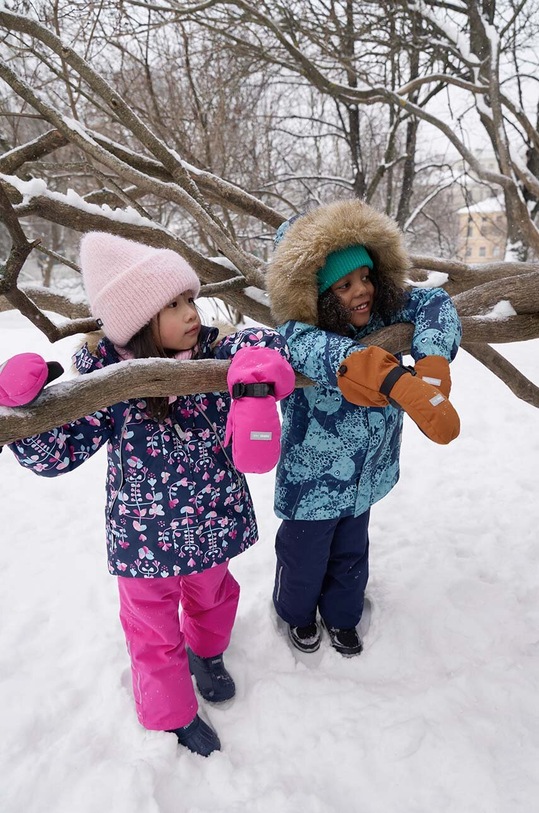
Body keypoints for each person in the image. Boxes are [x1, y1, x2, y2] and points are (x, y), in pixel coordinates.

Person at [1, 232, 294, 756]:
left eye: (189, 300)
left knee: (215, 598)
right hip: (144, 539)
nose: (190, 313)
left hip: (211, 519)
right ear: (136, 325)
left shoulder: (214, 355)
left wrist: (257, 374)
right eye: (172, 305)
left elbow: (263, 346)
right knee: (151, 632)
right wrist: (20, 416)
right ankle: (171, 716)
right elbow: (59, 451)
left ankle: (207, 654)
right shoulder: (112, 384)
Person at [265, 199, 462, 658]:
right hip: (312, 485)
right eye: (345, 284)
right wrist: (394, 379)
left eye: (367, 277)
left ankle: (344, 617)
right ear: (314, 295)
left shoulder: (383, 316)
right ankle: (295, 615)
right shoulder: (297, 336)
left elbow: (434, 302)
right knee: (304, 560)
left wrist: (431, 367)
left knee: (352, 554)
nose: (362, 291)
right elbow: (340, 359)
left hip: (365, 476)